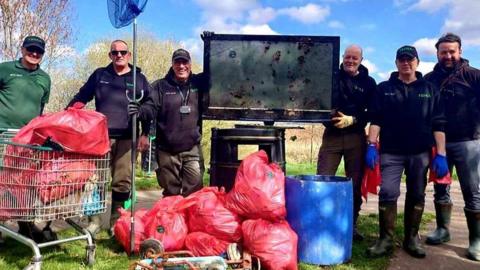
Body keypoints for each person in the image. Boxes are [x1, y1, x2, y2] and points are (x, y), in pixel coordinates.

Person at [365, 45, 447, 258]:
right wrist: (371, 145)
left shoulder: (430, 89)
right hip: (391, 152)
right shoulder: (384, 88)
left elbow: (438, 124)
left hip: (419, 153)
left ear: (417, 62)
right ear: (396, 63)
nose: (406, 63)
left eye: (410, 59)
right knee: (388, 192)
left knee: (417, 193)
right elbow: (376, 119)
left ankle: (411, 239)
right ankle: (385, 240)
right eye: (401, 59)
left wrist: (441, 154)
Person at [67, 39, 150, 238]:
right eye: (115, 53)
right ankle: (93, 221)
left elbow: (149, 108)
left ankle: (116, 222)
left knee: (122, 182)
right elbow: (82, 96)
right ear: (110, 55)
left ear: (129, 54)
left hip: (127, 138)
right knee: (95, 181)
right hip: (100, 138)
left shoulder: (139, 78)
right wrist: (69, 112)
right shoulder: (100, 75)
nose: (119, 55)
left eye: (123, 52)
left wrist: (145, 133)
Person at [424, 33, 480, 261]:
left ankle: (476, 240)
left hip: (469, 141)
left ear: (460, 51)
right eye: (443, 52)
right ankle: (443, 229)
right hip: (439, 144)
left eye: (452, 52)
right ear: (437, 54)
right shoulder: (429, 78)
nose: (447, 56)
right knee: (440, 188)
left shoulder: (474, 76)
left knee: (473, 191)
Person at [317, 44, 376, 241]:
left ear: (361, 60)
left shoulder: (369, 83)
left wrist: (354, 119)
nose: (350, 60)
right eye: (348, 57)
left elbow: (372, 112)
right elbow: (319, 102)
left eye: (355, 58)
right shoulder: (330, 77)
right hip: (332, 136)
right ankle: (322, 223)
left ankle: (351, 225)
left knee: (354, 183)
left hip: (356, 137)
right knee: (323, 179)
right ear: (342, 57)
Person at [129, 48, 206, 197]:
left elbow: (217, 72)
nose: (181, 66)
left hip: (193, 149)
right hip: (166, 151)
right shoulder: (160, 86)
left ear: (190, 64)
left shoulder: (199, 83)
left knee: (195, 193)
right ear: (172, 64)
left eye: (185, 62)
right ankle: (171, 221)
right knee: (171, 194)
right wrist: (140, 111)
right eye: (177, 62)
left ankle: (189, 220)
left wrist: (211, 44)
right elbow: (150, 107)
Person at [0, 36, 52, 242]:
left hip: (29, 140)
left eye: (38, 51)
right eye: (30, 49)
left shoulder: (44, 78)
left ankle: (24, 227)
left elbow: (41, 108)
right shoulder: (5, 69)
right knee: (1, 181)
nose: (34, 54)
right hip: (3, 135)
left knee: (23, 184)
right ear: (22, 50)